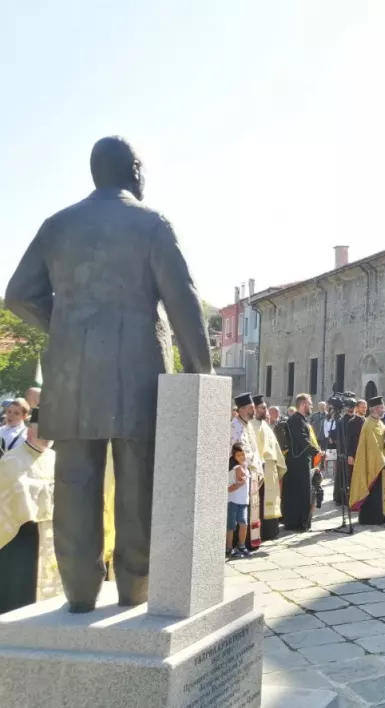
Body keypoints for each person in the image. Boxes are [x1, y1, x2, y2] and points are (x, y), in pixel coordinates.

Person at [6, 136, 212, 613]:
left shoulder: (56, 225)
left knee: (76, 480)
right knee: (138, 480)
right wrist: (202, 371)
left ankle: (79, 594)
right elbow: (182, 300)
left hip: (71, 371)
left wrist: (63, 325)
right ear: (134, 170)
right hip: (137, 368)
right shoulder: (151, 223)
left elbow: (18, 293)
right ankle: (133, 590)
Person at [0, 408, 61, 613]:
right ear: (29, 431)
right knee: (19, 585)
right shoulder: (11, 460)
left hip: (50, 533)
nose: (46, 437)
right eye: (41, 431)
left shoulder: (56, 459)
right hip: (19, 535)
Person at [349, 396, 385, 525]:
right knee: (373, 490)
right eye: (381, 407)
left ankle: (383, 515)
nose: (383, 409)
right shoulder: (368, 424)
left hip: (380, 462)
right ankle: (372, 517)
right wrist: (381, 461)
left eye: (383, 407)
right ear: (375, 409)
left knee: (381, 490)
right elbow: (372, 446)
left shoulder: (380, 422)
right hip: (371, 463)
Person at [282, 394, 321, 531]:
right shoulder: (295, 421)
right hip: (296, 462)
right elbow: (302, 440)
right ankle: (295, 522)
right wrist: (316, 451)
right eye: (310, 404)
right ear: (303, 404)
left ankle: (302, 520)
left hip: (303, 461)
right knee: (297, 492)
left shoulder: (302, 420)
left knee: (304, 492)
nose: (311, 407)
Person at [230, 393, 263, 550]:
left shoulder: (248, 425)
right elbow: (230, 452)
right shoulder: (234, 426)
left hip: (252, 474)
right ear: (242, 409)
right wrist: (239, 470)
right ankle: (235, 544)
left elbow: (253, 449)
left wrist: (259, 467)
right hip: (240, 475)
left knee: (248, 510)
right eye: (251, 408)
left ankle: (246, 542)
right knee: (238, 510)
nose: (254, 410)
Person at [252, 395, 286, 541]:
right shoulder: (251, 425)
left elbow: (275, 446)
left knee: (271, 500)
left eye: (266, 408)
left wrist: (280, 465)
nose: (266, 411)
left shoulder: (265, 425)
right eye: (263, 408)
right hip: (261, 469)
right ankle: (259, 532)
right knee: (260, 502)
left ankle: (270, 530)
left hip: (271, 469)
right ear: (255, 409)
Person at [226, 443, 251, 558]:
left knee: (243, 523)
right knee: (231, 525)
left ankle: (241, 545)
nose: (242, 457)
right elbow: (240, 482)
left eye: (243, 454)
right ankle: (229, 547)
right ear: (234, 456)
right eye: (239, 455)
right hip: (234, 500)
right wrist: (241, 483)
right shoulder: (237, 468)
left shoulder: (245, 467)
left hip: (243, 501)